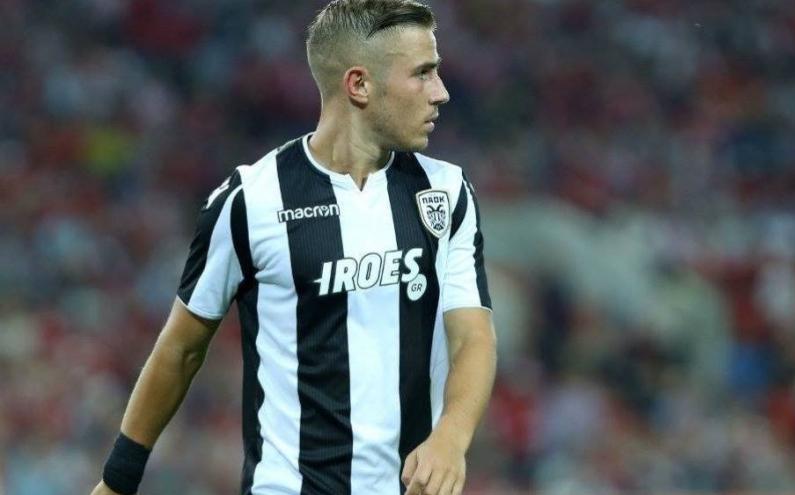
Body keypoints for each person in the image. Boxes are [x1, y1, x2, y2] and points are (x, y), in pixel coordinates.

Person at [90, 1, 497, 494]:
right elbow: (181, 348)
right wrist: (117, 481)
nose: (441, 92)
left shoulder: (446, 192)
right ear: (359, 84)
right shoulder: (252, 201)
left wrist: (451, 437)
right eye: (422, 73)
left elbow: (472, 337)